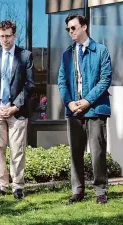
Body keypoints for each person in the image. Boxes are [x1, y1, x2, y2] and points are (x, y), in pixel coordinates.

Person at [58, 14, 112, 204]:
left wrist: (88, 100)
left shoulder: (101, 51)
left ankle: (100, 191)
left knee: (97, 152)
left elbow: (105, 79)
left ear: (84, 27)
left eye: (73, 28)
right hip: (74, 111)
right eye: (68, 29)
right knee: (75, 152)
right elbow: (62, 82)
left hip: (96, 109)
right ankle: (77, 191)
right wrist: (70, 103)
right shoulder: (67, 54)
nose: (70, 32)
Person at [0, 21, 35, 200]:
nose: (4, 40)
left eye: (7, 36)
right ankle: (1, 185)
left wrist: (14, 107)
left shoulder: (25, 56)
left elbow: (29, 84)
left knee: (17, 150)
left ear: (14, 36)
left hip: (17, 112)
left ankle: (18, 186)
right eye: (1, 36)